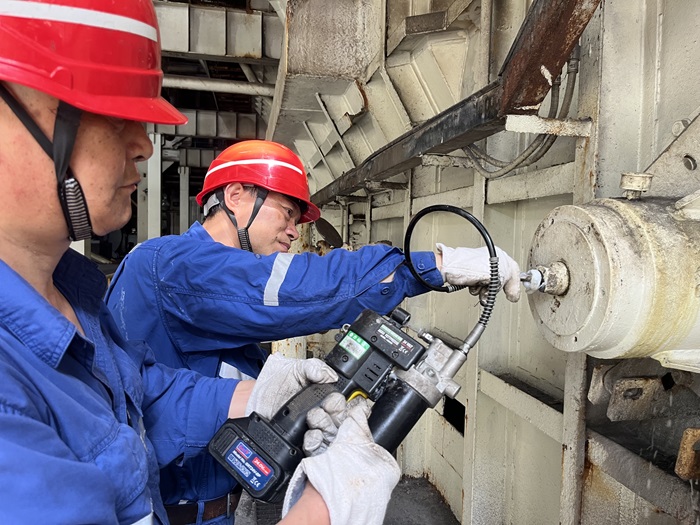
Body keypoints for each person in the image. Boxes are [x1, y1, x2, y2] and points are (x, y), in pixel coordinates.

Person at [0, 2, 400, 524]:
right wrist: (326, 511)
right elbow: (296, 289)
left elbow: (141, 397)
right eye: (116, 115)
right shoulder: (176, 265)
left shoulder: (75, 299)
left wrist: (259, 394)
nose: (144, 145)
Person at [105, 139, 523, 521]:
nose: (294, 230)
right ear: (235, 196)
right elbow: (302, 288)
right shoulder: (172, 265)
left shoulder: (193, 277)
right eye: (287, 213)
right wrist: (431, 267)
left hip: (218, 508)